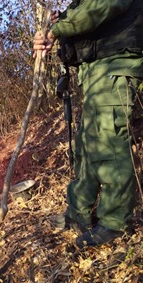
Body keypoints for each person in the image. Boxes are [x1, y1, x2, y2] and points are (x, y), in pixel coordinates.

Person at [33, 0, 143, 248]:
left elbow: (102, 7)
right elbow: (83, 14)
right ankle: (78, 213)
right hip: (95, 70)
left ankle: (114, 222)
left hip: (116, 63)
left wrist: (57, 29)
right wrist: (60, 24)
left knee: (109, 141)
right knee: (86, 144)